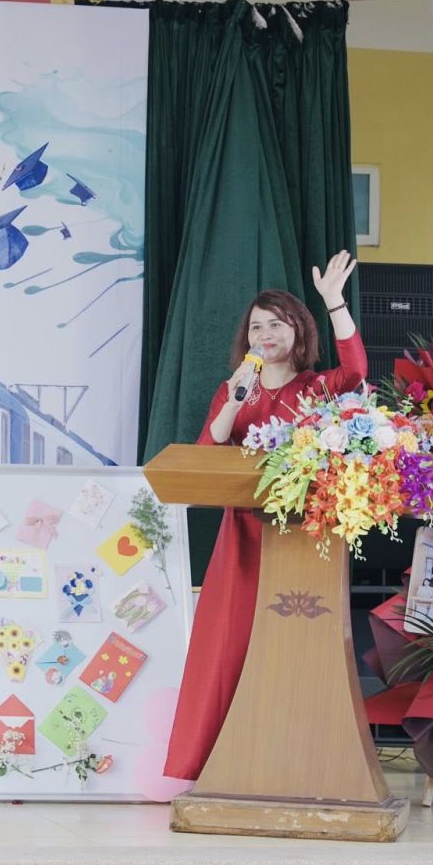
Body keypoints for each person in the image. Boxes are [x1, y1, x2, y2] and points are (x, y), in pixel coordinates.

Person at [165, 250, 366, 781]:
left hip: (301, 539)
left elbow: (356, 371)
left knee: (290, 646)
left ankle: (292, 761)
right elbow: (209, 449)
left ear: (298, 331)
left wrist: (335, 302)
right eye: (256, 326)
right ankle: (213, 763)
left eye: (276, 323)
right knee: (230, 644)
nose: (265, 333)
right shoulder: (233, 389)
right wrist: (235, 398)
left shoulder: (316, 388)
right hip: (242, 538)